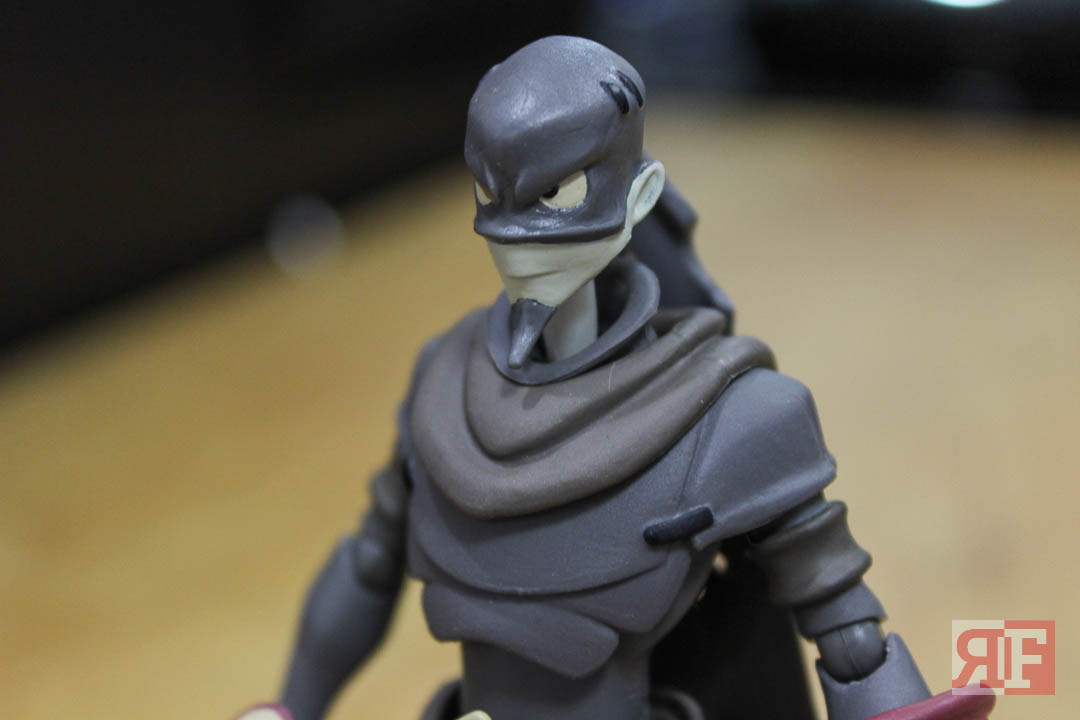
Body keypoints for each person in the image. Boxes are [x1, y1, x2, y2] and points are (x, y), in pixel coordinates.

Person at [238, 36, 994, 720]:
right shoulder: (444, 385)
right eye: (490, 195)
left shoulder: (733, 417)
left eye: (558, 196)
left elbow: (847, 631)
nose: (519, 239)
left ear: (639, 194)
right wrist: (290, 706)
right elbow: (370, 564)